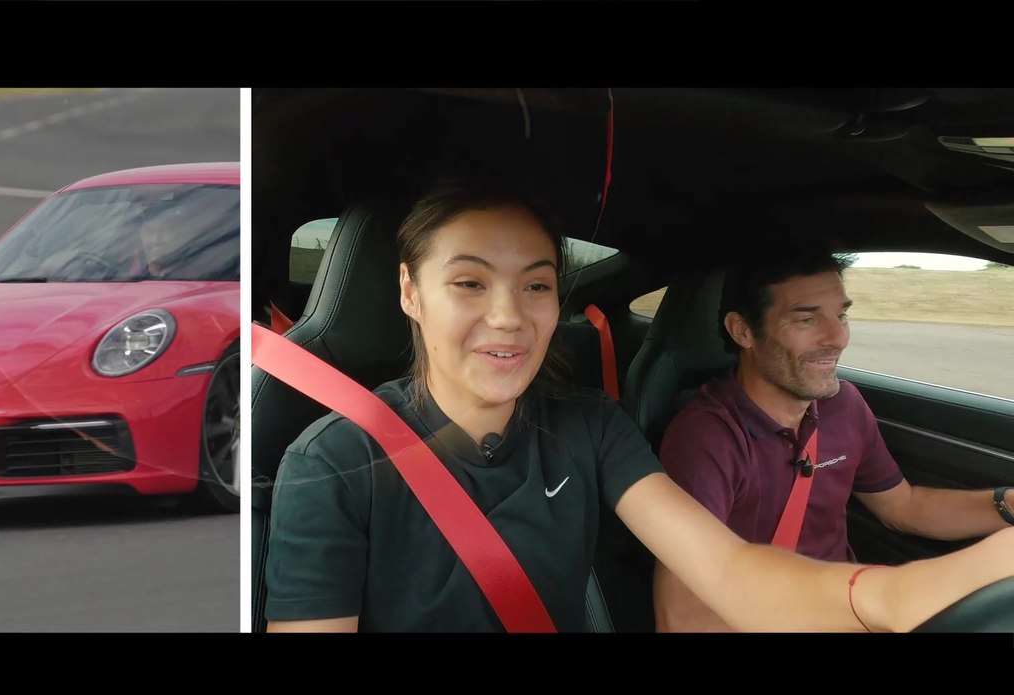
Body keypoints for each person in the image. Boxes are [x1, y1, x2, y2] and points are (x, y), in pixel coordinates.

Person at [262, 180, 1014, 632]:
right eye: (468, 283)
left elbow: (730, 572)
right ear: (408, 294)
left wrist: (911, 594)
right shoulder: (332, 462)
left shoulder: (589, 426)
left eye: (535, 284)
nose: (509, 317)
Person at [652, 246, 1014, 631]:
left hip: (856, 610)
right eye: (807, 319)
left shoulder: (844, 406)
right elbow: (683, 618)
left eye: (841, 314)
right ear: (743, 331)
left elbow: (904, 507)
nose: (838, 337)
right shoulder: (706, 436)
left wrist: (1006, 505)